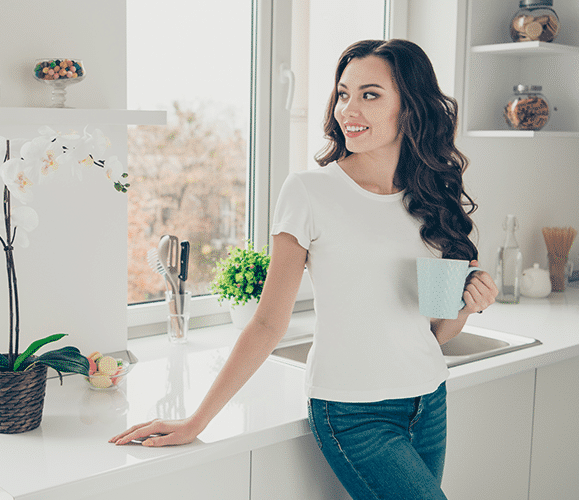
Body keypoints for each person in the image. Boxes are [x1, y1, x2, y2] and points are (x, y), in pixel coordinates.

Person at [111, 39, 498, 499]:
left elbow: (435, 332)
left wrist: (469, 304)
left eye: (370, 94)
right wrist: (197, 419)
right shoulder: (310, 192)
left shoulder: (432, 199)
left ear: (410, 107)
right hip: (355, 412)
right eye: (343, 93)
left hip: (429, 400)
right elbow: (269, 322)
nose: (348, 109)